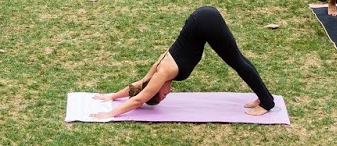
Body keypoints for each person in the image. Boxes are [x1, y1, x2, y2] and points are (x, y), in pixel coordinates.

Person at [88, 7, 275, 120]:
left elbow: (139, 98)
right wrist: (112, 97)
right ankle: (262, 96)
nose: (166, 95)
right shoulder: (157, 69)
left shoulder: (162, 74)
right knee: (238, 60)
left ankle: (266, 103)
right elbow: (138, 85)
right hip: (201, 21)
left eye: (161, 96)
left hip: (205, 22)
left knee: (237, 62)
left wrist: (110, 113)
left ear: (157, 88)